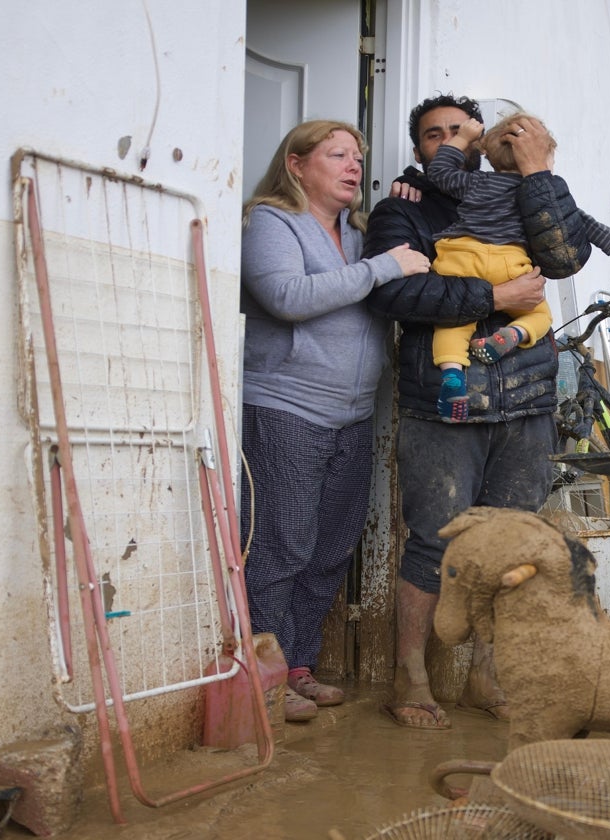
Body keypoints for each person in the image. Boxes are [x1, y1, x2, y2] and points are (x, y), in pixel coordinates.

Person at [362, 95, 592, 729]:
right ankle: (412, 674)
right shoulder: (401, 211)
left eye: (457, 130)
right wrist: (494, 294)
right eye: (433, 135)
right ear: (420, 152)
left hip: (527, 403)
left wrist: (539, 171)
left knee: (507, 548)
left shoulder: (523, 196)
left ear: (480, 138)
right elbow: (396, 292)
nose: (446, 141)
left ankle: (486, 673)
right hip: (444, 404)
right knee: (434, 546)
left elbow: (567, 257)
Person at [239, 120, 433, 723]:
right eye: (337, 155)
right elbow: (287, 296)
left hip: (353, 417)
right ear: (297, 164)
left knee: (329, 549)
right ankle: (264, 676)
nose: (353, 166)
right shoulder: (269, 221)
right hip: (285, 407)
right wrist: (386, 269)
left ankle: (297, 663)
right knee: (281, 545)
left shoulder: (359, 234)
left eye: (358, 157)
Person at [427, 112, 610, 421]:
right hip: (510, 261)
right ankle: (515, 333)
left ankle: (452, 373)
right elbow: (579, 221)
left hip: (461, 255)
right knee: (538, 314)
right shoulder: (532, 192)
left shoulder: (476, 181)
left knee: (453, 323)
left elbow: (439, 172)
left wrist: (464, 137)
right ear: (537, 156)